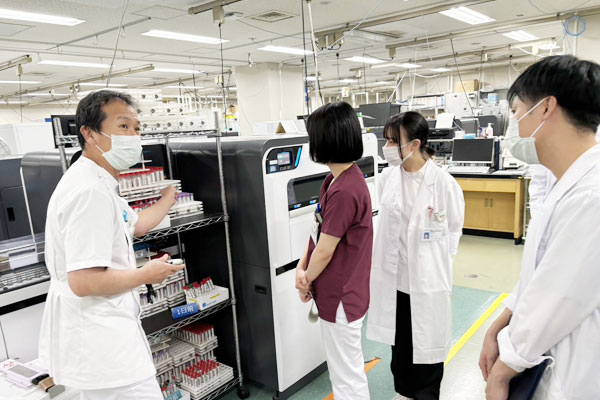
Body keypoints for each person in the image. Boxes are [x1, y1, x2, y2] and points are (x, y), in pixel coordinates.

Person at [38, 90, 185, 399]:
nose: (133, 136)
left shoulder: (98, 183)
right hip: (101, 346)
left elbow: (136, 224)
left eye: (137, 128)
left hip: (103, 339)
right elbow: (84, 281)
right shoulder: (89, 192)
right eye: (123, 126)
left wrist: (168, 199)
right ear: (89, 133)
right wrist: (146, 274)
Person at [479, 55, 600, 400]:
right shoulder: (570, 184)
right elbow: (542, 272)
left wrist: (503, 370)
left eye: (516, 112)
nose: (515, 126)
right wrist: (500, 323)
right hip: (548, 357)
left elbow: (561, 296)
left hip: (574, 372)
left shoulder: (592, 194)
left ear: (546, 108)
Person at [367, 111, 465, 400]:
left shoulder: (444, 184)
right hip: (395, 281)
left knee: (428, 349)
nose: (387, 147)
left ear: (414, 144)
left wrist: (439, 270)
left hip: (428, 281)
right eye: (386, 140)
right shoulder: (387, 178)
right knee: (401, 349)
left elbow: (453, 232)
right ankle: (403, 392)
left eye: (392, 141)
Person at [295, 101, 373, 400]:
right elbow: (318, 232)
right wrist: (302, 268)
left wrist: (306, 279)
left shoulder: (345, 189)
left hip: (342, 294)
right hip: (335, 287)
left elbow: (326, 251)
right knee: (343, 370)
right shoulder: (335, 180)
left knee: (347, 376)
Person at [527, 126, 600, 218]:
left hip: (589, 214)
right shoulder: (551, 134)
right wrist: (539, 217)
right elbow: (538, 183)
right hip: (551, 214)